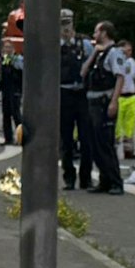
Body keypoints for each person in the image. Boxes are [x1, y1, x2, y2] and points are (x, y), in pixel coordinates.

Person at [83, 21, 128, 194]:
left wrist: (114, 102)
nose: (94, 36)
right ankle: (104, 181)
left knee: (105, 144)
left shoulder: (114, 53)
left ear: (104, 32)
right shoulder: (99, 54)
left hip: (104, 102)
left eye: (96, 32)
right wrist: (94, 53)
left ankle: (116, 182)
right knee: (95, 144)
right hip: (93, 102)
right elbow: (83, 72)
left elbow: (120, 77)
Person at [58, 11, 95, 189]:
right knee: (65, 140)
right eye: (62, 24)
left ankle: (86, 178)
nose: (65, 28)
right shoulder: (53, 46)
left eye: (68, 23)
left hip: (82, 94)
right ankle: (69, 178)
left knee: (86, 138)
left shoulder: (84, 44)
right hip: (63, 94)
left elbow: (92, 67)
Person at [115, 39, 135, 161]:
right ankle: (114, 150)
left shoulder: (132, 62)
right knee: (117, 126)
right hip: (119, 97)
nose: (129, 52)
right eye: (127, 50)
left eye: (130, 50)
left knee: (129, 126)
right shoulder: (116, 62)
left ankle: (128, 150)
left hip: (131, 96)